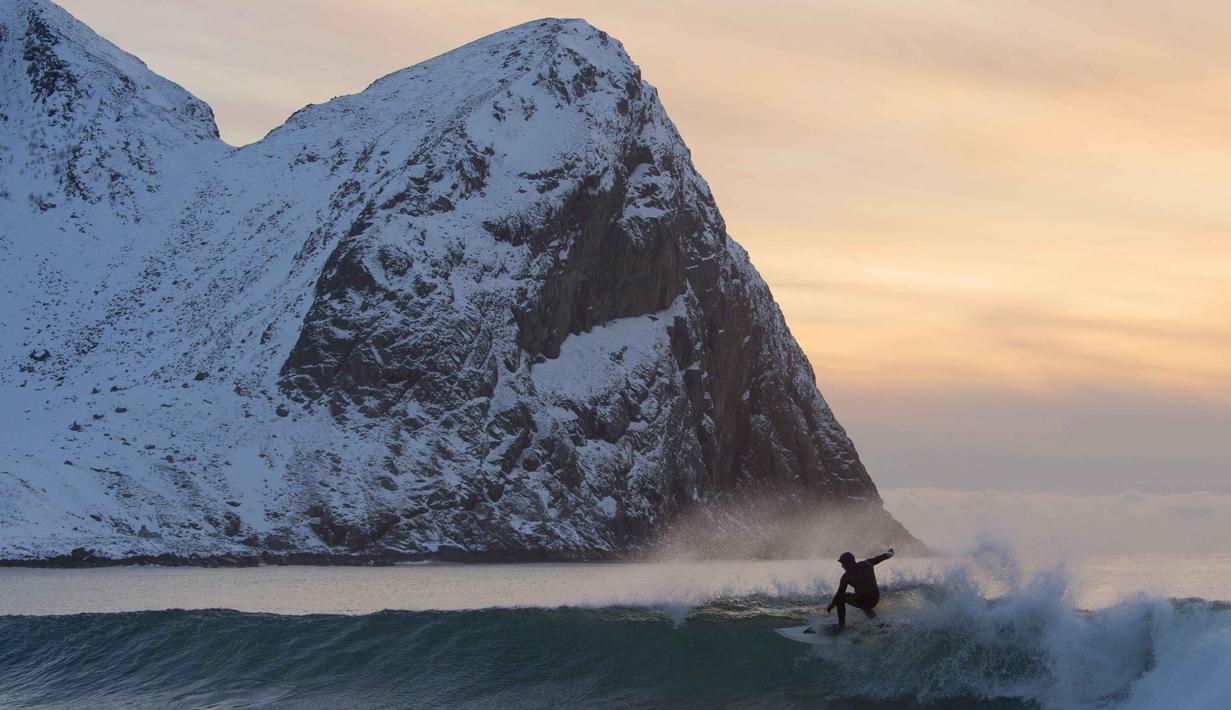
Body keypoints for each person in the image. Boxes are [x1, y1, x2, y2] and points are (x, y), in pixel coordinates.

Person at [812, 547, 894, 633]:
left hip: (864, 602)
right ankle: (878, 624)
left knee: (842, 598)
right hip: (875, 598)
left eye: (842, 564)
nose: (842, 566)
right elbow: (881, 557)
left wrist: (831, 605)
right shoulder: (867, 563)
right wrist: (890, 553)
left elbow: (839, 595)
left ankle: (841, 626)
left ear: (846, 564)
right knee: (860, 596)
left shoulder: (846, 576)